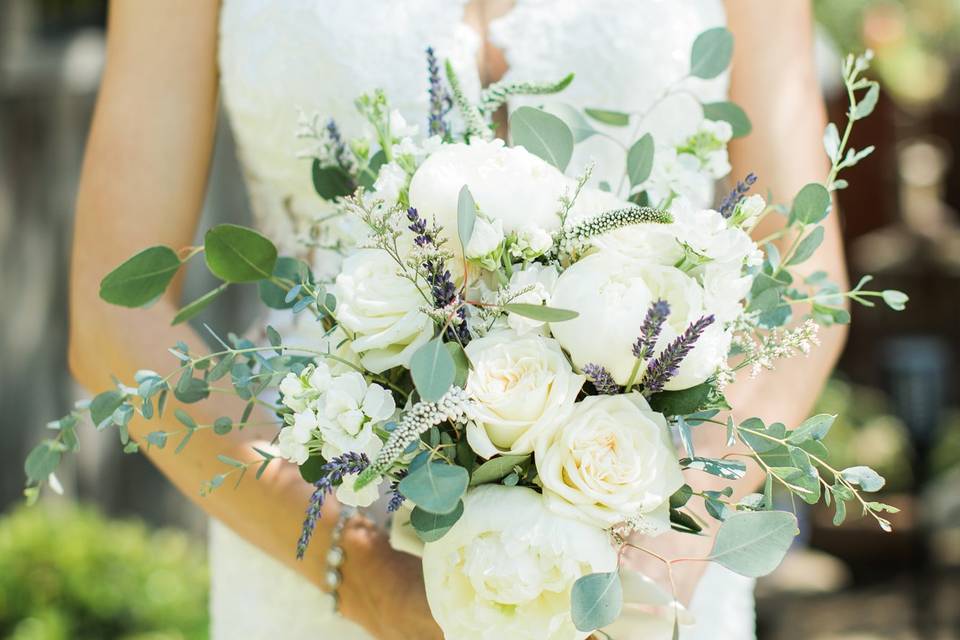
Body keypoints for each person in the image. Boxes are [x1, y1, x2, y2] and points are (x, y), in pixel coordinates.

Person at [68, 1, 847, 638]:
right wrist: (368, 575)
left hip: (647, 562)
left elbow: (806, 279)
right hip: (320, 557)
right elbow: (111, 328)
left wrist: (671, 535)